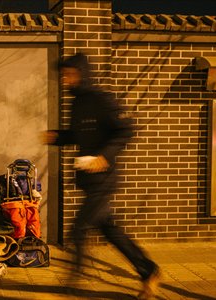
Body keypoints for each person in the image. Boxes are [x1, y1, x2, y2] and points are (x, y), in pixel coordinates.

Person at [43, 53, 160, 299]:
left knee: (78, 228)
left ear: (83, 74)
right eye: (63, 74)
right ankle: (149, 270)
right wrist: (58, 137)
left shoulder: (101, 99)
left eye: (70, 74)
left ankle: (74, 279)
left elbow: (126, 130)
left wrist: (105, 156)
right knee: (111, 231)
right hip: (90, 179)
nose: (65, 79)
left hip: (104, 179)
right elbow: (79, 135)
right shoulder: (76, 103)